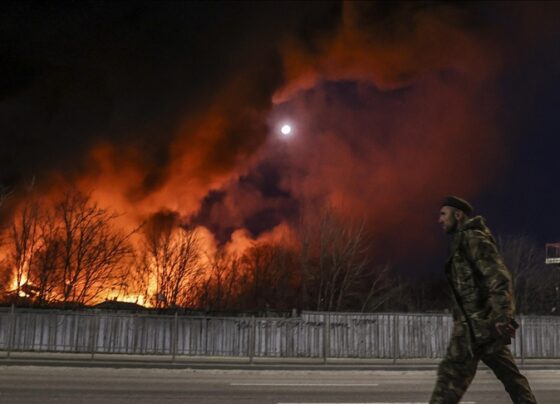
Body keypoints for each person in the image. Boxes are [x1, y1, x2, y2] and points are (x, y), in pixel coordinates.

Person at [430, 196, 537, 404]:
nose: (439, 220)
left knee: (449, 380)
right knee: (512, 379)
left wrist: (502, 316)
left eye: (443, 214)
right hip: (478, 327)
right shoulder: (462, 241)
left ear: (458, 215)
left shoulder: (473, 239)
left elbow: (499, 277)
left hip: (478, 327)